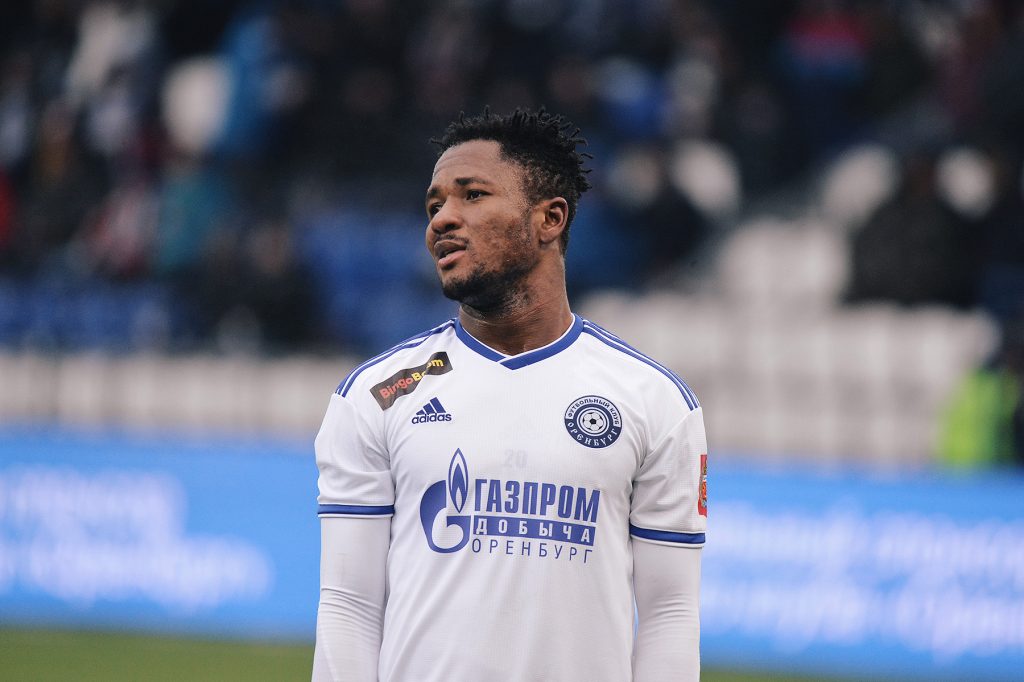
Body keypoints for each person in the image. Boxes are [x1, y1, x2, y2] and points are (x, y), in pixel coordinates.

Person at [312, 109, 708, 682]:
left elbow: (670, 611)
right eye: (434, 205)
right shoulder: (376, 396)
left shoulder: (654, 401)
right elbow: (349, 604)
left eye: (472, 195)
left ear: (549, 218)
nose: (443, 219)